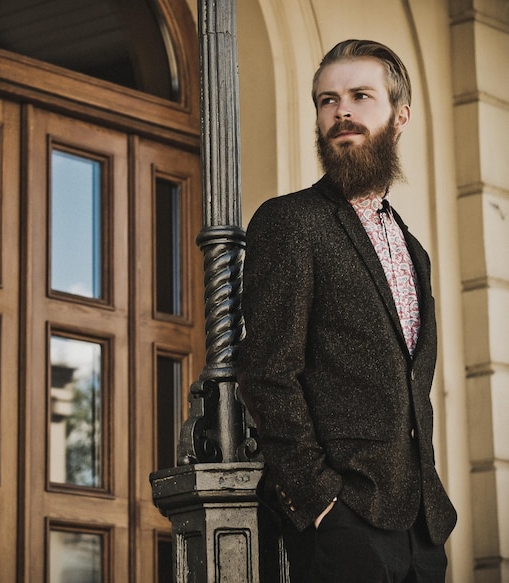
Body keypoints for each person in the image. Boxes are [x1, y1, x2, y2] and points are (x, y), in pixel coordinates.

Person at [238, 39, 457, 582]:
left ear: (399, 115)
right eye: (327, 100)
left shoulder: (413, 249)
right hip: (343, 518)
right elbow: (267, 370)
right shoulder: (291, 221)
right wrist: (318, 499)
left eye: (361, 95)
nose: (342, 111)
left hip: (422, 526)